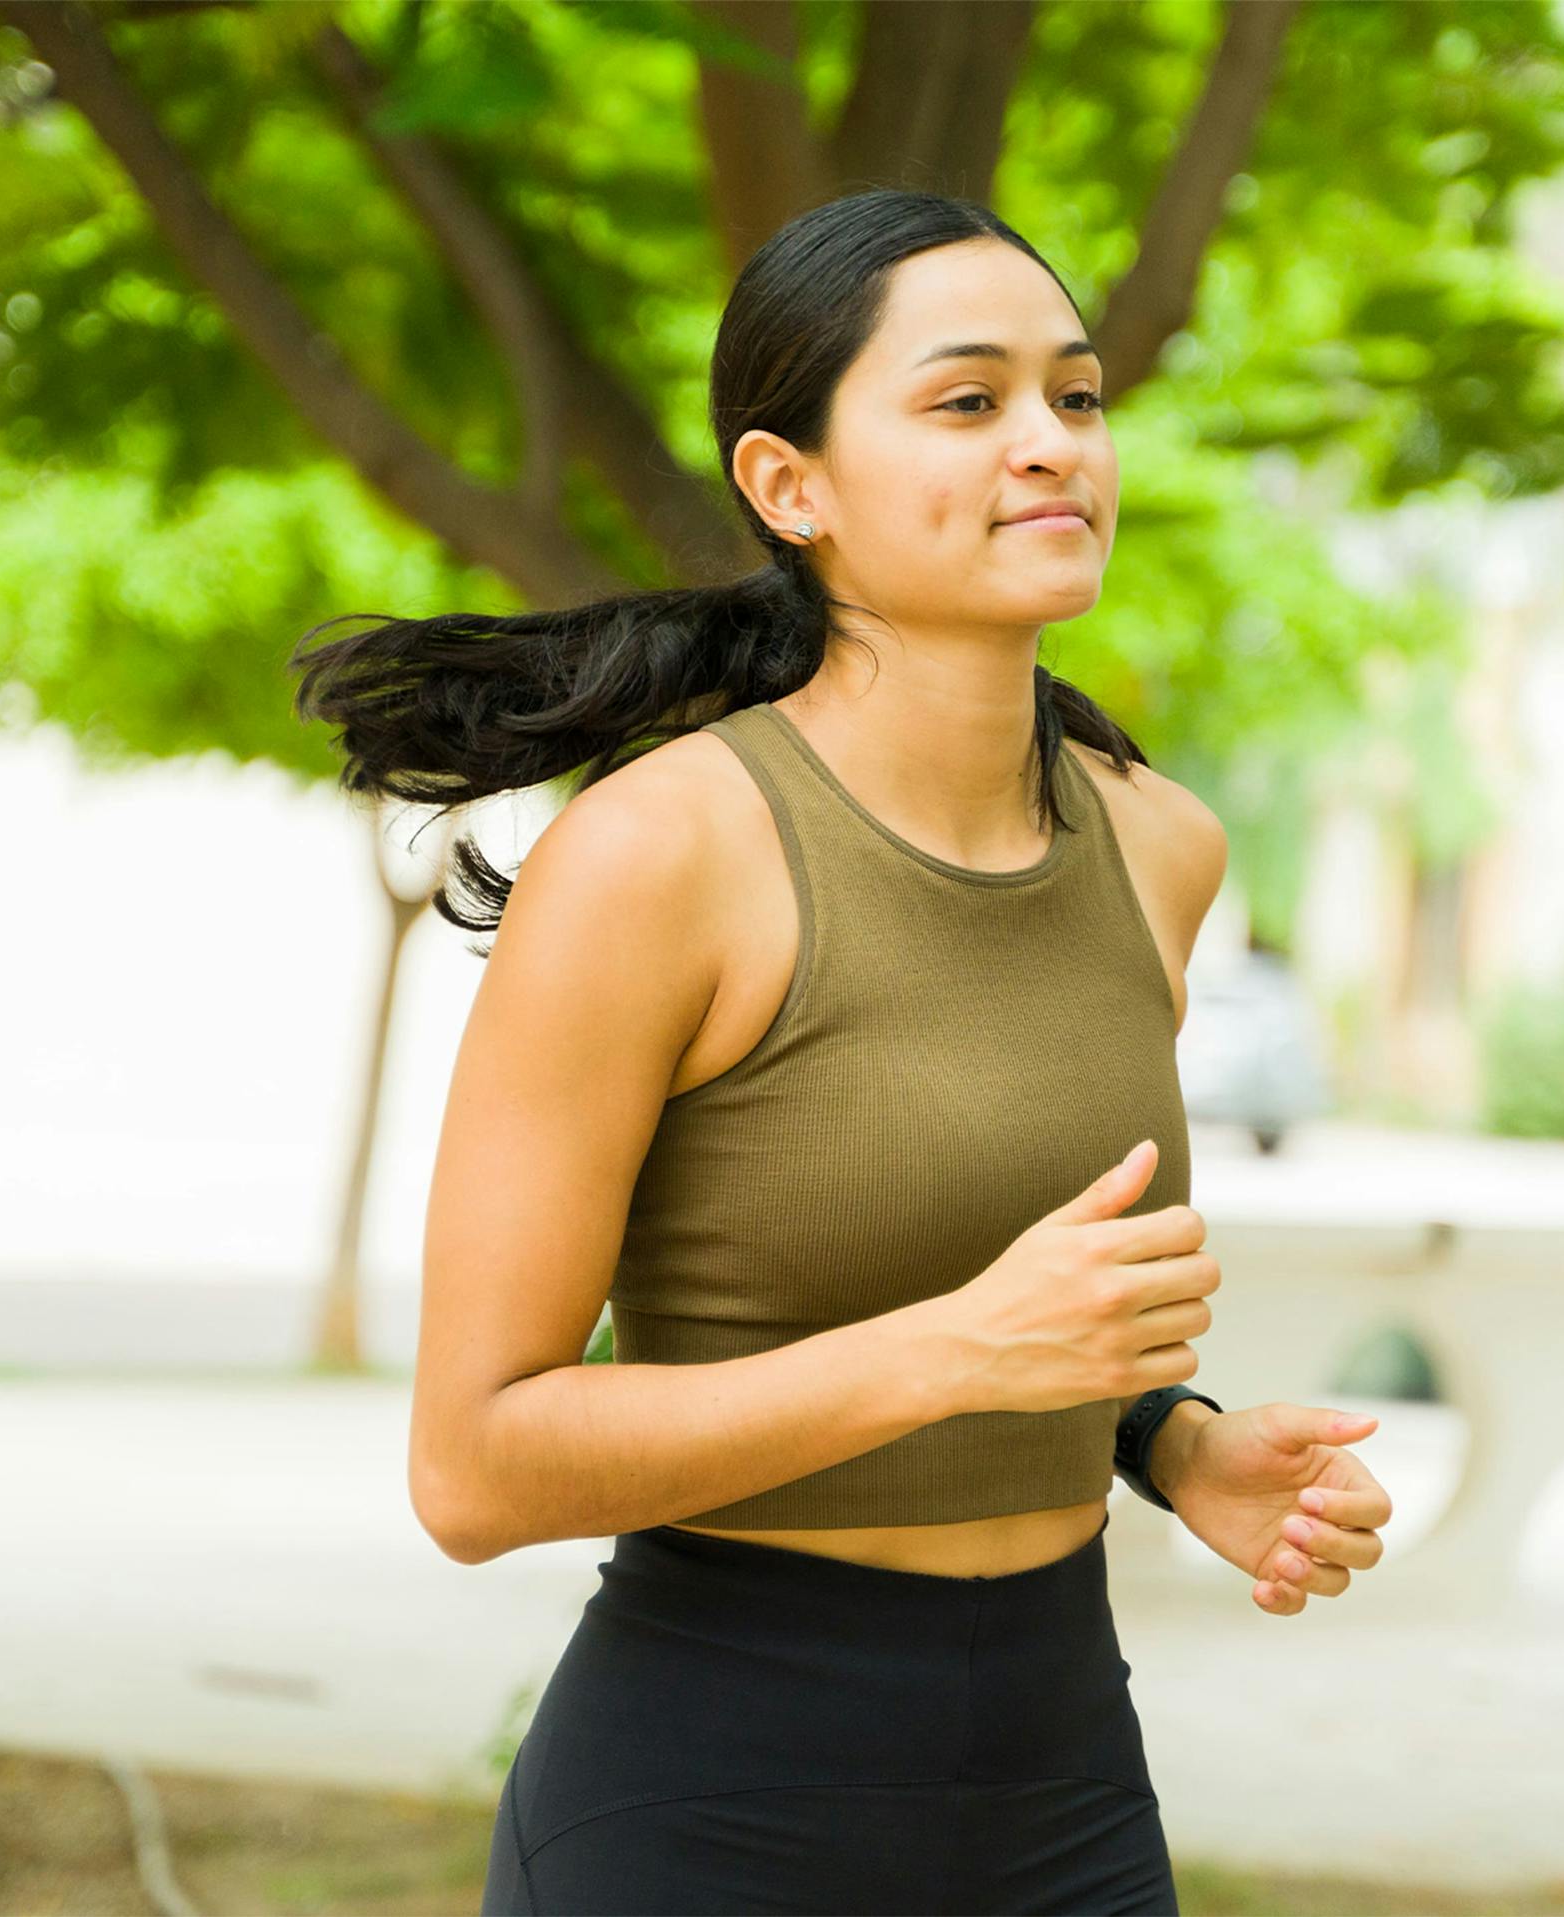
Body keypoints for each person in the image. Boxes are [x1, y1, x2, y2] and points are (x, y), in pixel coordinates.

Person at [291, 186, 1390, 1917]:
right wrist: (956, 1351)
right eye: (968, 400)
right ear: (788, 485)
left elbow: (1008, 1302)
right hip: (708, 1810)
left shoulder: (1159, 846)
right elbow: (473, 1466)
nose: (1051, 442)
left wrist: (1172, 1443)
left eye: (1077, 395)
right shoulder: (660, 856)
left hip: (1063, 1802)